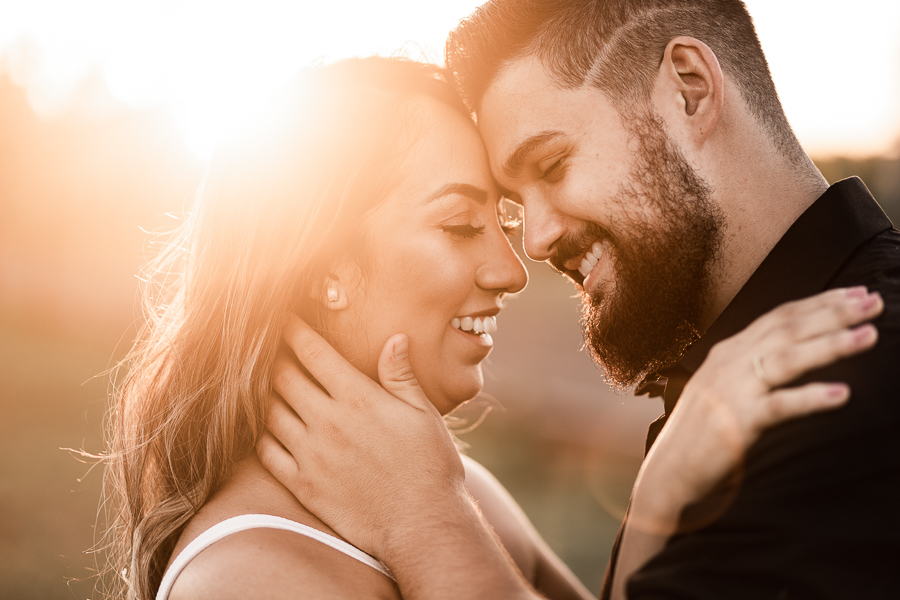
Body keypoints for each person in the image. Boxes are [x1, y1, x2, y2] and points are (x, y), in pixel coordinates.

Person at [259, 1, 900, 599]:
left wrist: (427, 521)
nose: (533, 243)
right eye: (514, 207)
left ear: (690, 87)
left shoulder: (845, 383)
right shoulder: (752, 371)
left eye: (553, 164)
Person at [102, 57, 598, 600]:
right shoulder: (247, 580)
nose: (513, 271)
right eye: (461, 225)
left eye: (504, 223)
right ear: (322, 270)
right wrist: (429, 523)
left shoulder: (456, 490)